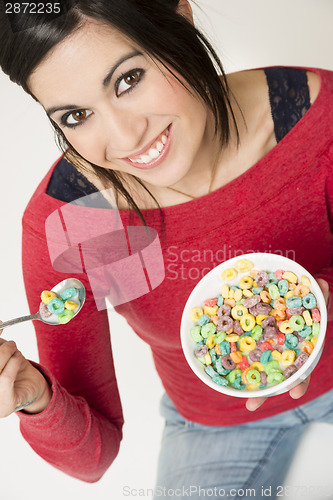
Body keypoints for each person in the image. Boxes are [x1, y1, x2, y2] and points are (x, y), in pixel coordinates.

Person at [0, 0, 332, 497]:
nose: (125, 137)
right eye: (76, 115)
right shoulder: (75, 221)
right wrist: (35, 396)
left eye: (129, 79)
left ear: (181, 20)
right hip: (213, 421)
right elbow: (95, 457)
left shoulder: (318, 125)